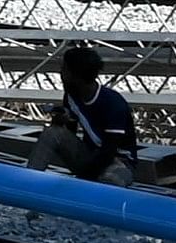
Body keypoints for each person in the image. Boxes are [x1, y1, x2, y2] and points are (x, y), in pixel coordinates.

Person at [38, 42, 142, 185]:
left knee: (111, 180)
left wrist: (82, 180)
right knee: (52, 133)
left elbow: (109, 151)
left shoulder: (113, 103)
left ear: (76, 76)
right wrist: (61, 121)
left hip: (118, 162)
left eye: (64, 70)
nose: (60, 73)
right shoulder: (71, 96)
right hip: (91, 156)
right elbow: (69, 133)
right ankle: (29, 180)